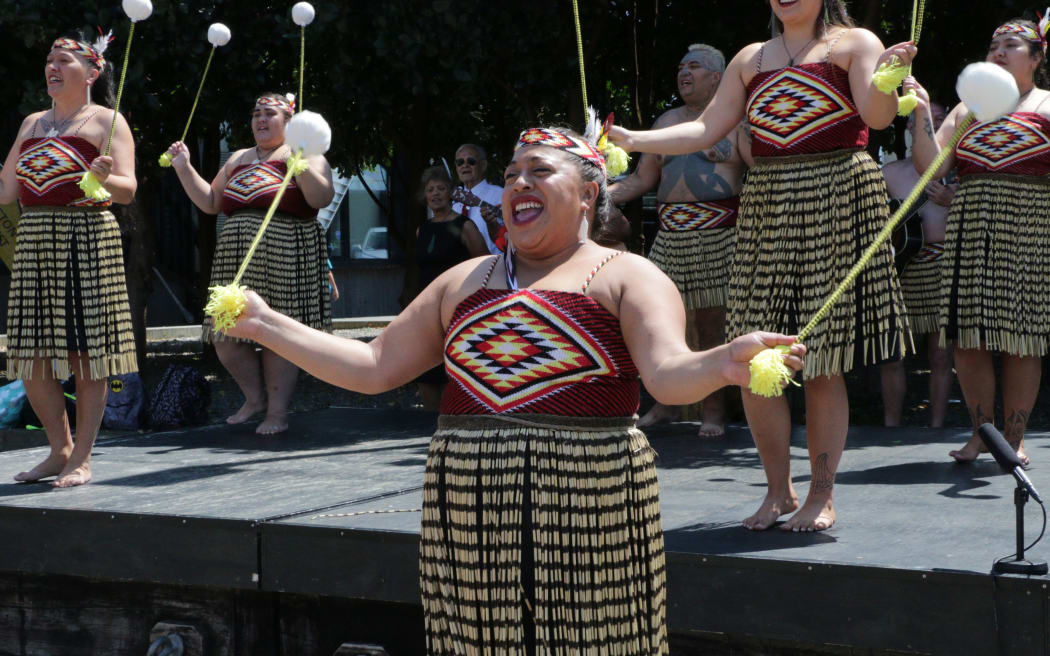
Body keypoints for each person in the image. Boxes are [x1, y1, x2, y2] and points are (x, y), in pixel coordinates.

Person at [222, 125, 804, 652]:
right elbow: (374, 365)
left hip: (586, 508)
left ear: (588, 193)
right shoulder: (464, 281)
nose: (518, 182)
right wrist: (266, 324)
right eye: (510, 176)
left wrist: (724, 362)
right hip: (469, 513)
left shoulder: (627, 275)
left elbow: (668, 374)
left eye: (540, 171)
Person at [611, 0, 914, 531]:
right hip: (768, 202)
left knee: (819, 358)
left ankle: (822, 494)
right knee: (757, 358)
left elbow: (877, 117)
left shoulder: (854, 43)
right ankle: (778, 491)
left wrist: (890, 78)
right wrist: (634, 139)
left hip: (837, 194)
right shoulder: (751, 59)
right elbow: (705, 130)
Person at [905, 17, 1050, 465]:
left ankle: (1015, 436)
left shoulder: (1046, 104)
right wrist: (920, 111)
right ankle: (981, 433)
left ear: (1038, 58)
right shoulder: (968, 109)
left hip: (1029, 228)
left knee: (1020, 337)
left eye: (1010, 45)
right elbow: (930, 167)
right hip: (970, 228)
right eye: (993, 45)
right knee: (968, 338)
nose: (999, 52)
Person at [0, 31, 138, 487]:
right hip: (36, 240)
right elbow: (7, 191)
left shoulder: (107, 121)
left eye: (63, 60)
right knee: (31, 354)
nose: (52, 67)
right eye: (48, 60)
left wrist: (103, 179)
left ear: (92, 73)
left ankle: (82, 457)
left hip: (86, 238)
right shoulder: (31, 123)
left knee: (85, 353)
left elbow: (128, 189)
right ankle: (57, 450)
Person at [164, 93, 334, 435]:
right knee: (224, 331)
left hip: (287, 252)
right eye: (256, 113)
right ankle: (255, 398)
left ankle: (278, 412)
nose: (260, 119)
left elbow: (321, 198)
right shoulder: (240, 157)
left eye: (269, 114)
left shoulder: (304, 152)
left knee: (277, 334)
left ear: (289, 122)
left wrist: (300, 167)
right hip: (237, 255)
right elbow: (211, 202)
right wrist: (184, 168)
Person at [611, 43, 752, 438]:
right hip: (671, 235)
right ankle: (667, 404)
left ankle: (713, 411)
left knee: (712, 324)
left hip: (719, 233)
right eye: (680, 67)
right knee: (662, 323)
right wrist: (596, 194)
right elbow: (641, 180)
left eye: (694, 67)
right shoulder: (665, 122)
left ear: (717, 78)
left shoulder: (736, 122)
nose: (684, 73)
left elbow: (760, 170)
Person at [879, 102, 956, 428]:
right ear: (910, 128)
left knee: (941, 355)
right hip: (902, 271)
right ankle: (890, 425)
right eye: (924, 120)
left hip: (943, 266)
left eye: (939, 120)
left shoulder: (960, 175)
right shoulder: (889, 173)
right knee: (892, 356)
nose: (932, 125)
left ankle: (937, 425)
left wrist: (953, 201)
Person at [414, 165, 487, 409]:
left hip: (457, 311)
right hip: (427, 312)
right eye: (430, 189)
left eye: (441, 188)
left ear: (451, 192)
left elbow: (483, 266)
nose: (435, 194)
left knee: (453, 375)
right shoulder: (421, 229)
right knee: (425, 375)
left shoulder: (466, 226)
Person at [450, 143, 504, 253]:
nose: (465, 165)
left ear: (483, 165)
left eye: (471, 161)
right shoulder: (453, 206)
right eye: (460, 162)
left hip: (494, 266)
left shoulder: (500, 195)